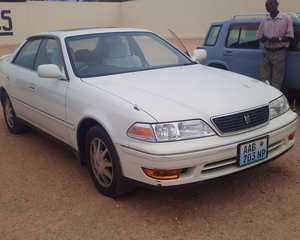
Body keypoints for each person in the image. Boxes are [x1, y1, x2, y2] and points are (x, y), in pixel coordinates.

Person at [256, 0, 294, 89]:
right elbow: (259, 37)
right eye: (266, 5)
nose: (269, 6)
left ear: (277, 4)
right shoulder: (265, 21)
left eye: (271, 4)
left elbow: (290, 36)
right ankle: (266, 97)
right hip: (266, 53)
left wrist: (278, 39)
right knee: (265, 79)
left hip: (279, 52)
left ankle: (274, 100)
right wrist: (263, 39)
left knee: (277, 80)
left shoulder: (286, 19)